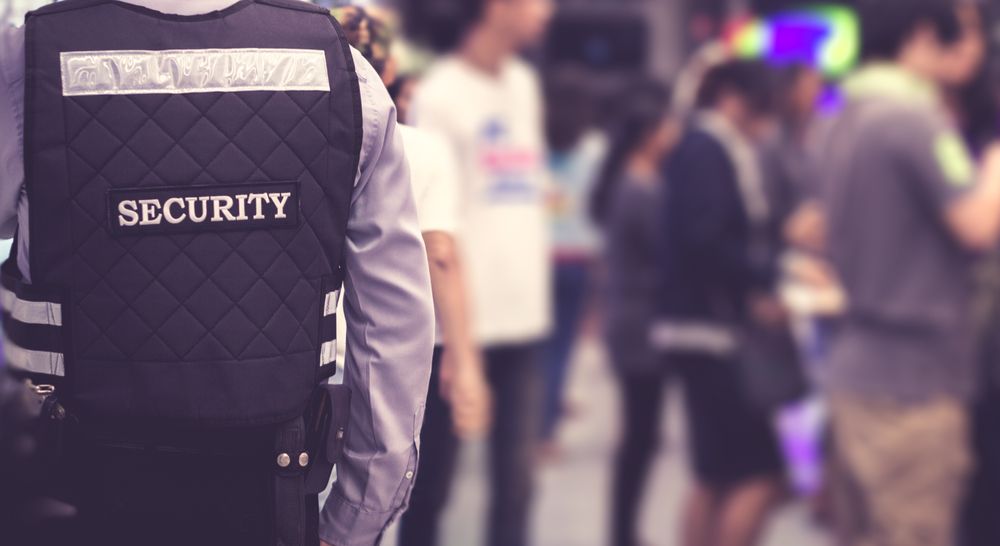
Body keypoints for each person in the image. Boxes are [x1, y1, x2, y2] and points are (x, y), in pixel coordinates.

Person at [0, 2, 435, 546]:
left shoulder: (27, 61)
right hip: (271, 489)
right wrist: (355, 518)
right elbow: (394, 324)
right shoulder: (345, 73)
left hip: (73, 489)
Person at [819, 1, 1000, 544]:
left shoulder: (843, 114)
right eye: (954, 33)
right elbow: (977, 225)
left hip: (856, 373)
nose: (968, 47)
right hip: (913, 388)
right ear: (920, 36)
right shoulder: (916, 120)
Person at [330, 7, 494, 546]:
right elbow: (440, 252)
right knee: (403, 504)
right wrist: (465, 362)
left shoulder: (309, 140)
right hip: (408, 356)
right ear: (392, 66)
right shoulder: (420, 147)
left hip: (320, 362)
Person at [407, 1, 555, 545]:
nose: (547, 10)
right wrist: (461, 349)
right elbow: (440, 228)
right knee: (431, 492)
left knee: (517, 491)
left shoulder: (523, 84)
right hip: (456, 329)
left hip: (523, 321)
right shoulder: (440, 94)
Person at [655, 59, 786, 546]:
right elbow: (706, 240)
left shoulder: (702, 146)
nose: (764, 122)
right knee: (756, 473)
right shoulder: (707, 149)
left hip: (701, 328)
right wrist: (764, 280)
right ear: (732, 98)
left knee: (716, 473)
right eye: (760, 107)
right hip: (708, 331)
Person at [589, 82, 679, 546]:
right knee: (640, 436)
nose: (675, 134)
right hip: (639, 323)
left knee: (640, 433)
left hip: (629, 318)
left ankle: (624, 529)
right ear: (649, 133)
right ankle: (623, 532)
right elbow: (666, 253)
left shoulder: (630, 179)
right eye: (668, 126)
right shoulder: (640, 188)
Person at [540, 66, 605, 451]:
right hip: (577, 257)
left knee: (536, 349)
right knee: (562, 347)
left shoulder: (534, 139)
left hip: (537, 257)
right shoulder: (595, 147)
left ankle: (538, 417)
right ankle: (545, 433)